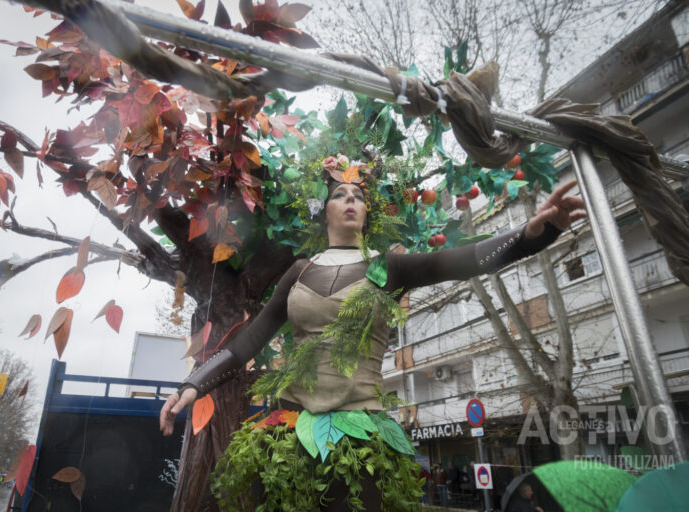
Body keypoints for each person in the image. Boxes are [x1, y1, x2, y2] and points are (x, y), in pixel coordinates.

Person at [159, 158, 585, 511]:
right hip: (290, 435)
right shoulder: (298, 271)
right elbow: (247, 341)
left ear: (366, 214)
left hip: (359, 444)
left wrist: (534, 234)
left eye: (358, 196)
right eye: (340, 194)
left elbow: (467, 260)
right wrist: (193, 384)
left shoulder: (387, 268)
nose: (350, 200)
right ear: (324, 210)